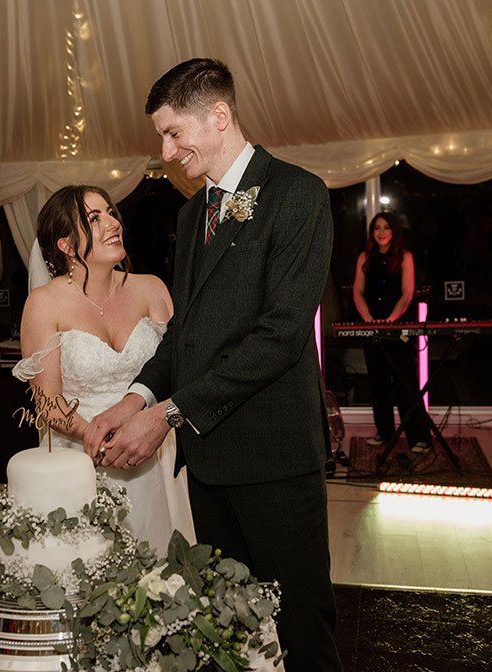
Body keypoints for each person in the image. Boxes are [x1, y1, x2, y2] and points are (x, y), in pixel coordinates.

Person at [84, 58, 342, 671]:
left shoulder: (297, 194)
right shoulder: (190, 212)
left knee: (301, 627)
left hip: (275, 460)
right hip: (209, 464)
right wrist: (136, 398)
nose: (167, 151)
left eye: (174, 133)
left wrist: (171, 413)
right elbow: (186, 335)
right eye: (162, 137)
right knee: (232, 626)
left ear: (219, 116)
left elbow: (279, 336)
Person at [12, 185, 195, 554]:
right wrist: (101, 440)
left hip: (156, 450)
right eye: (94, 219)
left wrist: (150, 426)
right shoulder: (44, 305)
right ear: (65, 245)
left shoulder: (152, 289)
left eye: (110, 212)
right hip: (83, 459)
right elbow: (47, 403)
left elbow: (183, 367)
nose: (113, 222)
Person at [353, 212, 431, 452]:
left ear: (394, 230)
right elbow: (357, 291)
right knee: (378, 384)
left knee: (405, 385)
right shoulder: (364, 258)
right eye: (377, 228)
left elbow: (407, 294)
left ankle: (420, 438)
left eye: (386, 227)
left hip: (397, 328)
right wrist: (369, 321)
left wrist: (390, 321)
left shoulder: (405, 257)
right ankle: (384, 433)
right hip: (372, 329)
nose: (381, 232)